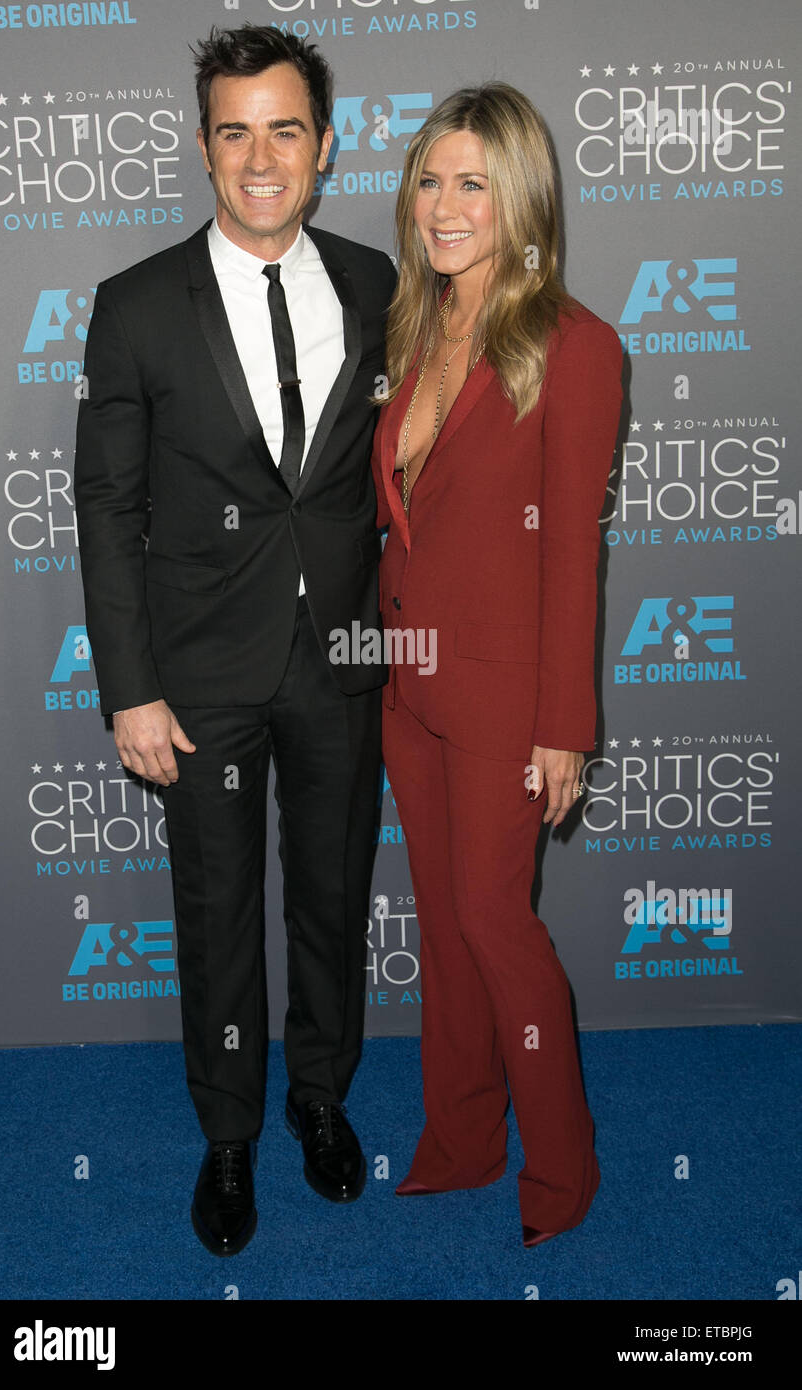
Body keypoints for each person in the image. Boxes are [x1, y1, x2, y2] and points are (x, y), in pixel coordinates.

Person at [74, 24, 396, 1256]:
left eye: (285, 129)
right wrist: (130, 689)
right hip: (198, 673)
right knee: (214, 912)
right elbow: (106, 507)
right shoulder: (138, 305)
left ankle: (319, 1099)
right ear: (203, 144)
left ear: (324, 143)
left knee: (329, 895)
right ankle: (228, 1135)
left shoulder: (378, 283)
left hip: (344, 665)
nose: (260, 157)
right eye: (234, 130)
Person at [370, 82, 623, 1245]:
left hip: (506, 700)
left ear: (520, 200)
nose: (443, 203)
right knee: (442, 922)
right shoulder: (412, 328)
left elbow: (572, 549)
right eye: (430, 178)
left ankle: (561, 1171)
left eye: (472, 182)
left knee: (494, 920)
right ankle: (462, 1142)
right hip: (408, 686)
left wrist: (563, 724)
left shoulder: (573, 348)